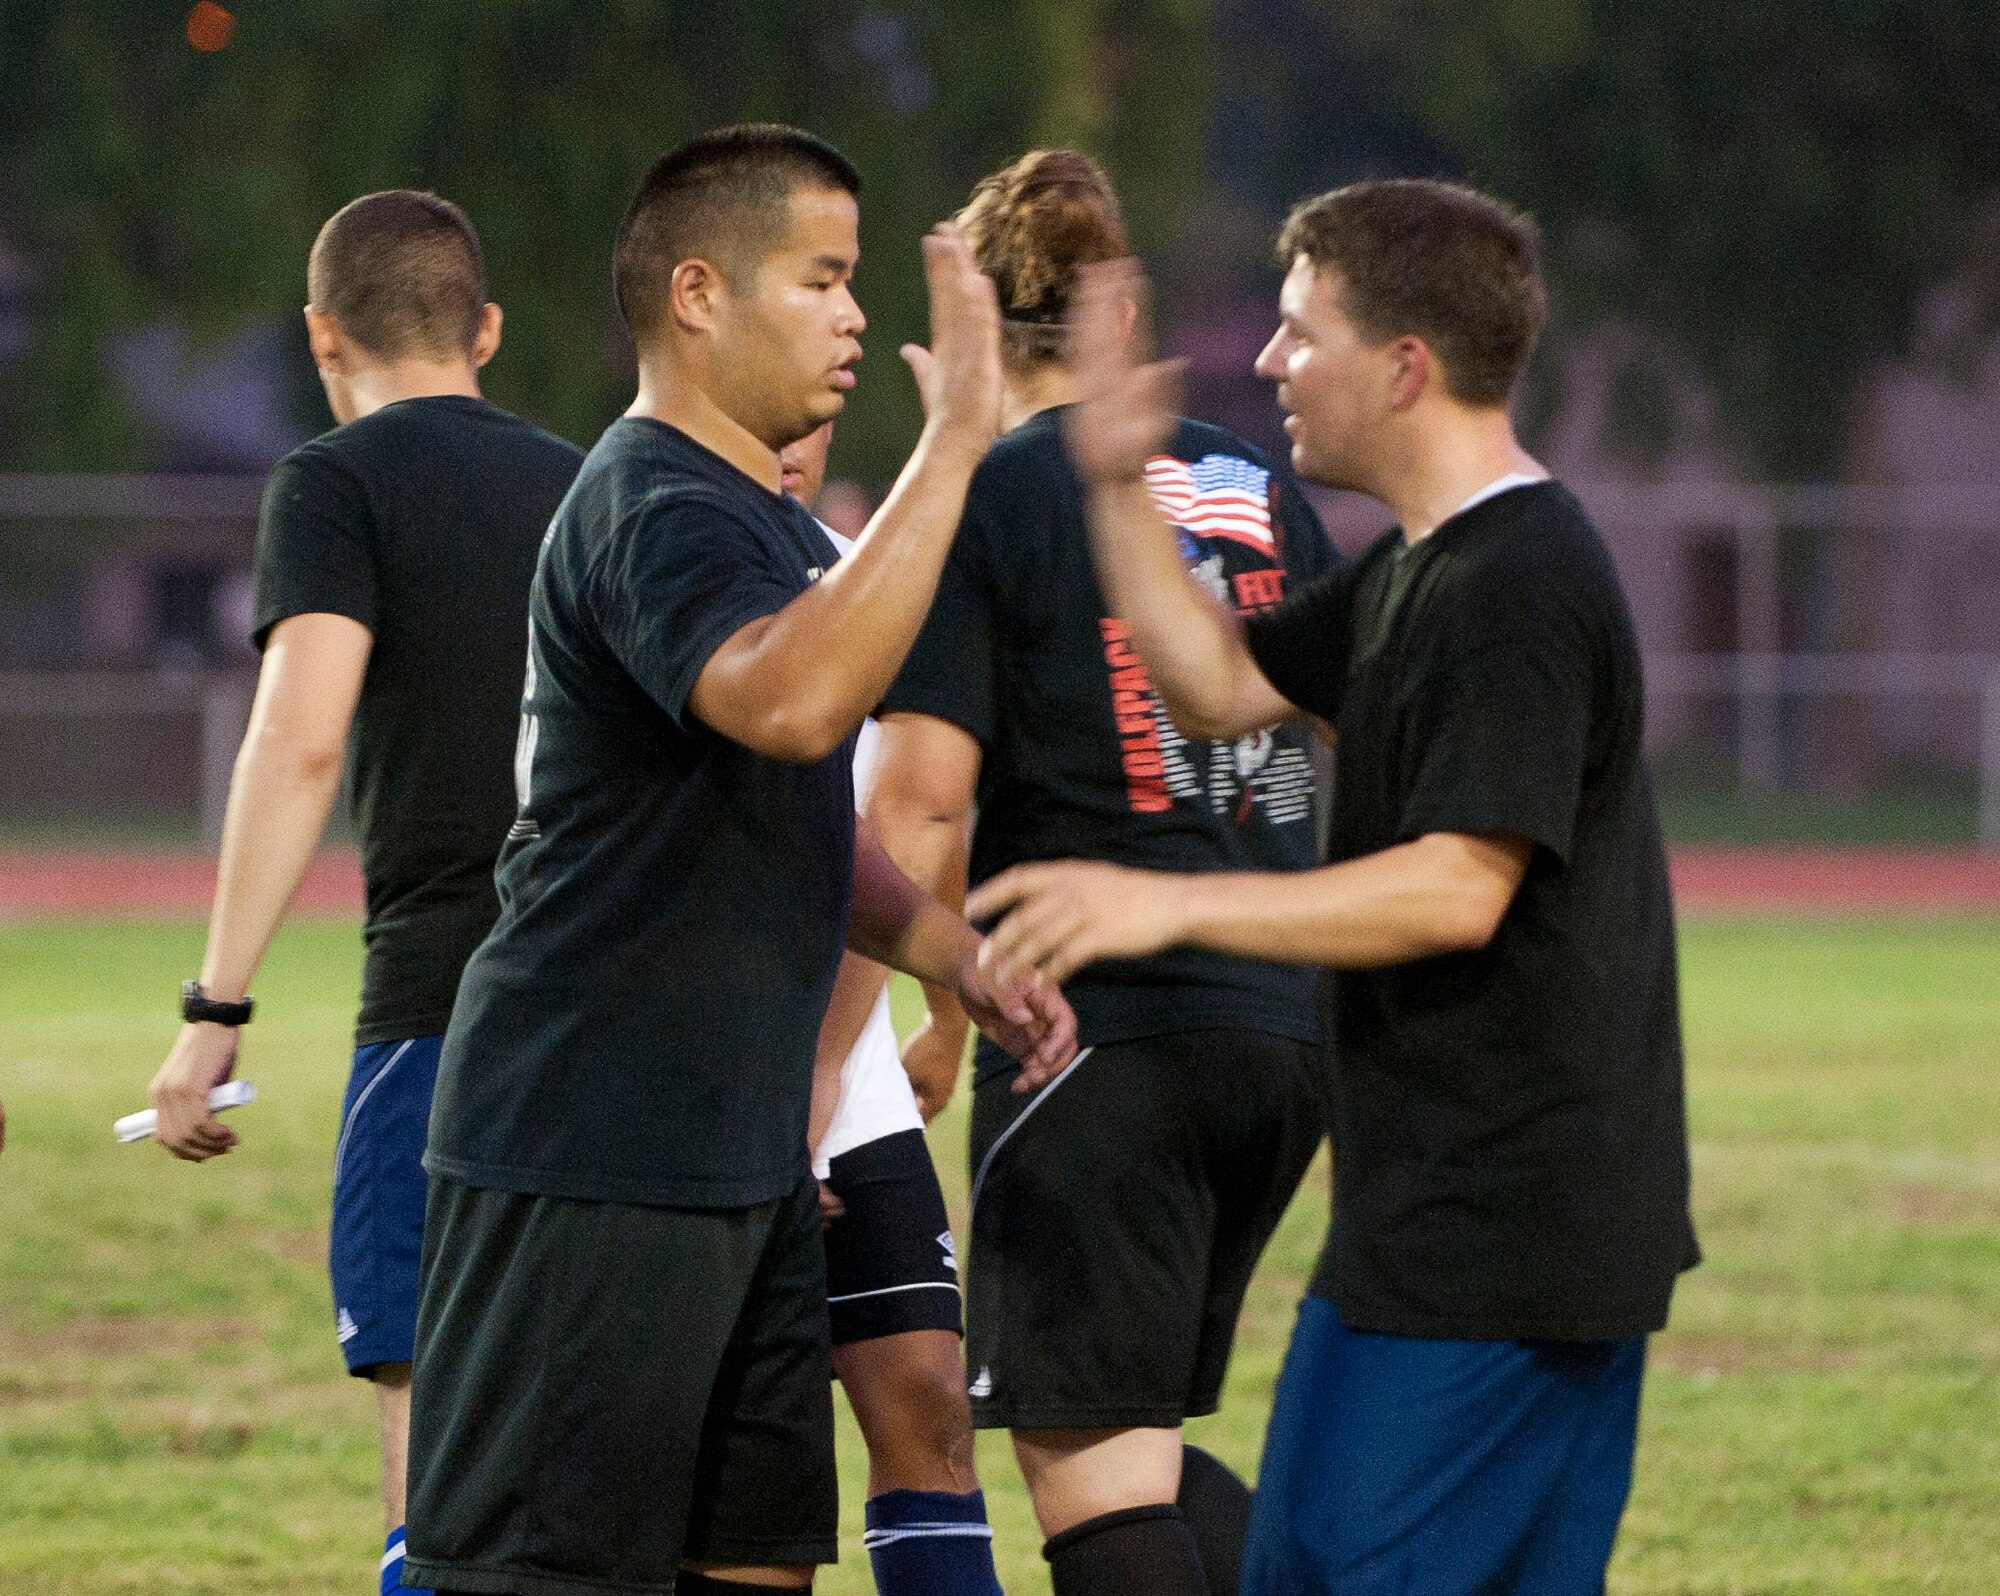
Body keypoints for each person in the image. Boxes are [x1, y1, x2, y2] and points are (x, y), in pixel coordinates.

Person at [969, 179, 1701, 1595]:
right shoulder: (1414, 573)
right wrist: (1117, 485)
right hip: (1435, 1213)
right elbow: (1217, 678)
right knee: (1305, 1560)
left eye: (1305, 333)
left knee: (1333, 1570)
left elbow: (1455, 888)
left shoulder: (1518, 581)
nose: (1267, 362)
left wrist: (1168, 904)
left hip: (1508, 1233)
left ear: (1406, 366)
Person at [402, 125, 1076, 1596]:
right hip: (588, 1153)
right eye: (822, 278)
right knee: (548, 1576)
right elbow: (790, 702)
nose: (853, 315)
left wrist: (951, 952)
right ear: (699, 293)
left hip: (738, 1161)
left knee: (757, 1565)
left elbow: (790, 822)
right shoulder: (650, 498)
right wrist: (957, 441)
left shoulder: (761, 523)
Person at [869, 149, 1337, 1596]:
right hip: (1280, 1029)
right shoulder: (1252, 474)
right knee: (1137, 1446)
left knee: (1094, 1476)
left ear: (983, 336)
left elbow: (925, 805)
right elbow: (1329, 725)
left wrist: (925, 1020)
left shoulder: (996, 491)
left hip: (1098, 1034)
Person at [141, 190, 582, 1596]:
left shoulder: (334, 482)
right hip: (617, 1014)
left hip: (442, 1013)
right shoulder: (595, 478)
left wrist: (216, 1004)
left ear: (323, 335)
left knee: (433, 1473)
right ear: (489, 329)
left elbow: (301, 735)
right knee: (588, 1477)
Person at [780, 420, 1003, 1596]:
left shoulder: (870, 580)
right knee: (731, 1459)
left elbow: (916, 810)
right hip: (693, 1078)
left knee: (925, 1404)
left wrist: (947, 1015)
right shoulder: (639, 546)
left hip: (846, 1073)